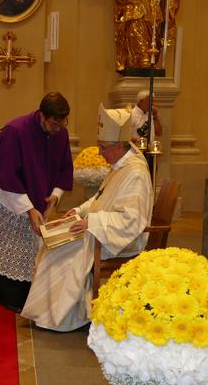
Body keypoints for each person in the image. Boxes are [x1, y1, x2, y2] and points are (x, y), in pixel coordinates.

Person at [21, 105, 153, 332]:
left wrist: (91, 222)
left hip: (120, 238)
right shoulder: (121, 163)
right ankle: (49, 312)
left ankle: (64, 317)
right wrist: (80, 211)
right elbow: (101, 197)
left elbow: (132, 220)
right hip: (104, 230)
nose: (100, 153)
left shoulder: (135, 173)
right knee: (54, 241)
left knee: (61, 250)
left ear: (119, 145)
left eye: (103, 147)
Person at [0, 92, 74, 312]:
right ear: (42, 115)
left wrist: (55, 195)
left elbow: (63, 167)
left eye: (62, 123)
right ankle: (5, 293)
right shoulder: (16, 130)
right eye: (54, 123)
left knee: (28, 236)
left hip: (26, 188)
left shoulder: (61, 133)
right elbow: (6, 175)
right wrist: (29, 208)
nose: (58, 128)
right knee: (9, 238)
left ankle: (24, 289)